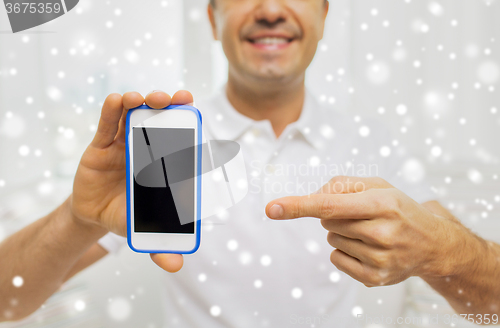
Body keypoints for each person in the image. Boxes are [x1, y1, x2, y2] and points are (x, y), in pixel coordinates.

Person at [1, 0, 499, 326]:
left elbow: (491, 305)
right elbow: (7, 302)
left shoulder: (374, 143)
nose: (268, 9)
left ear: (324, 15)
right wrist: (76, 218)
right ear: (213, 20)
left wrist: (444, 251)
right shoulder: (169, 149)